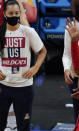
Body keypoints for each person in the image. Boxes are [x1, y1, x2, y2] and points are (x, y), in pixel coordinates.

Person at [0, 0, 47, 131]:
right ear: (4, 14)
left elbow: (43, 51)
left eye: (17, 13)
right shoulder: (0, 32)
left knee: (24, 127)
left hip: (24, 87)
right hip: (3, 86)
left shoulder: (28, 32)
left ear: (20, 13)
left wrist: (35, 67)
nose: (14, 16)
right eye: (10, 13)